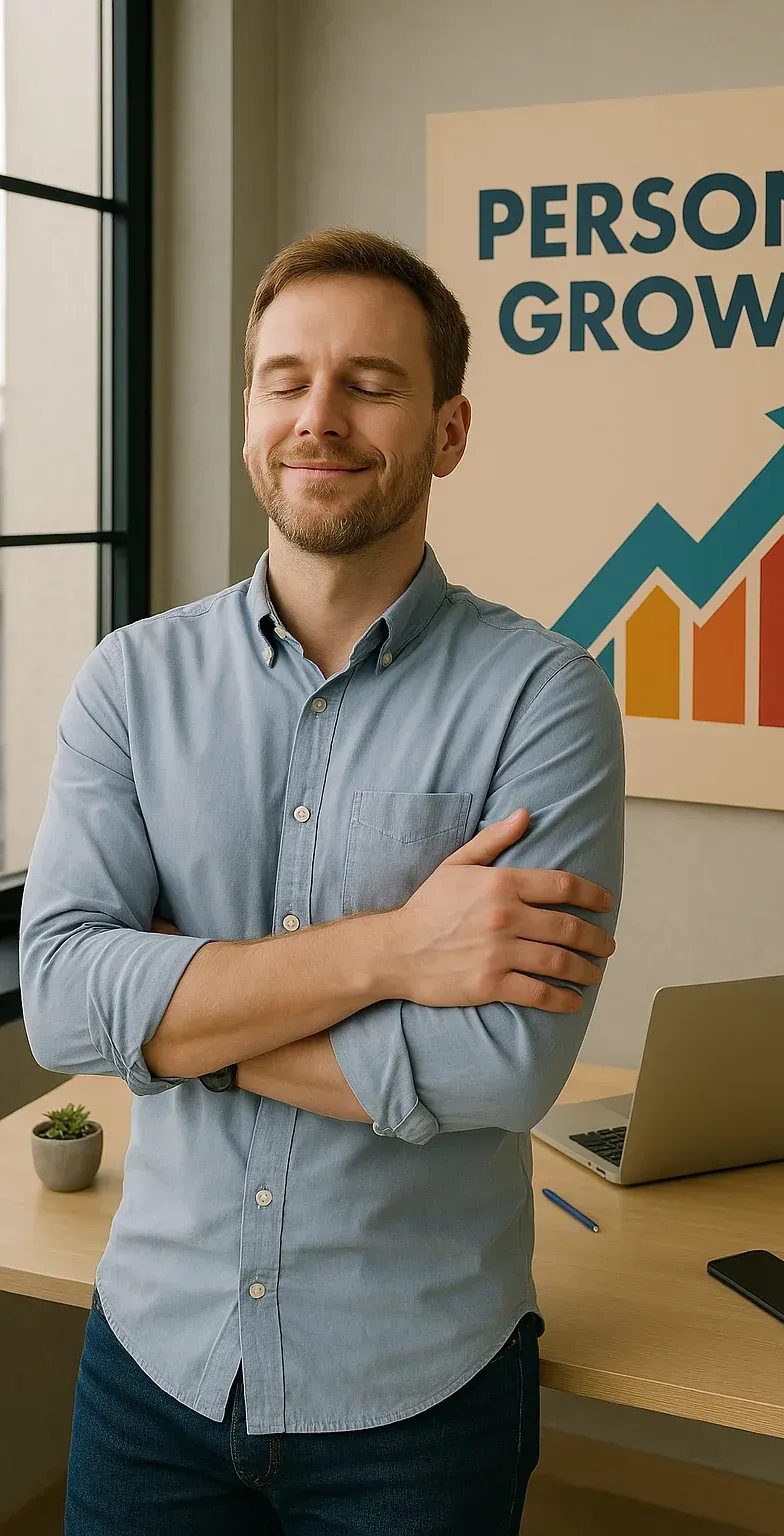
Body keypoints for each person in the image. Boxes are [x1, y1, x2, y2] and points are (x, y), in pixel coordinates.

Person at [20, 228, 625, 1535]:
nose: (320, 416)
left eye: (370, 382)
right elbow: (65, 1004)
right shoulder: (130, 683)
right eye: (285, 378)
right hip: (153, 1363)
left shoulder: (545, 697)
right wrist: (396, 956)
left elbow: (506, 1067)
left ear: (448, 430)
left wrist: (187, 1028)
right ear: (250, 412)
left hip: (419, 1393)